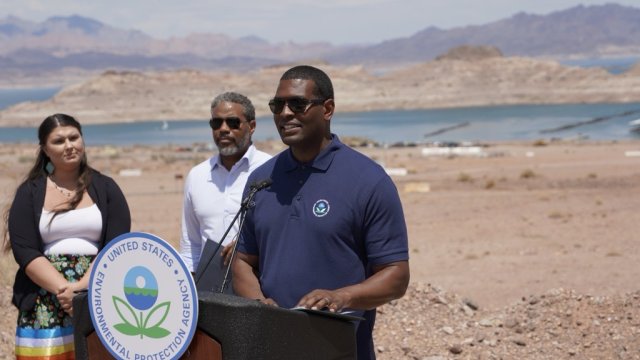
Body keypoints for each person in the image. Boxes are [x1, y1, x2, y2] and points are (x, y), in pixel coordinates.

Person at [232, 65, 410, 359]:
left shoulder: (368, 180)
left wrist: (341, 297)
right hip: (270, 348)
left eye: (298, 104)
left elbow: (396, 276)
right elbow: (242, 260)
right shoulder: (262, 180)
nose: (285, 113)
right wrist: (259, 303)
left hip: (340, 350)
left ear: (327, 109)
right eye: (278, 105)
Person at [2, 113, 131, 359]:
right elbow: (25, 250)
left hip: (99, 290)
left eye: (74, 137)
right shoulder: (29, 192)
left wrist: (82, 289)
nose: (69, 145)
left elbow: (117, 245)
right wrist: (65, 291)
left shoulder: (107, 187)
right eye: (59, 141)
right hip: (44, 296)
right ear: (45, 149)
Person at [179, 92, 271, 290]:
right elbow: (191, 245)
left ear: (252, 126)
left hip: (260, 289)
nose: (223, 129)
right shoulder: (197, 176)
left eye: (232, 122)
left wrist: (247, 246)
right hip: (209, 290)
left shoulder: (272, 170)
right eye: (216, 123)